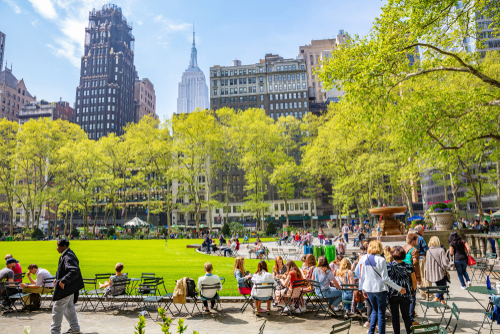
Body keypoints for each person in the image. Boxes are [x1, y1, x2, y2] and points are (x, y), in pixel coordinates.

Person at [359, 241, 405, 334]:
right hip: (379, 289)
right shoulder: (381, 260)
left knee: (375, 310)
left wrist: (362, 289)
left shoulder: (364, 258)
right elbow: (386, 279)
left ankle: (371, 331)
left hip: (368, 289)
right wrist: (399, 288)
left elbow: (362, 276)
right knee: (381, 313)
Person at [51, 239, 84, 334]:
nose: (57, 248)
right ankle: (75, 328)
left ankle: (55, 331)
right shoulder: (68, 253)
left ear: (63, 246)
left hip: (66, 288)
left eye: (58, 246)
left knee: (57, 308)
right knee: (69, 307)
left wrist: (63, 281)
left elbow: (74, 270)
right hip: (70, 288)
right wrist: (58, 279)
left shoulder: (67, 256)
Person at [387, 246, 417, 334]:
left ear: (392, 255)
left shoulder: (388, 266)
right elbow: (414, 282)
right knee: (406, 316)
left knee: (395, 316)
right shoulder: (408, 266)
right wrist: (412, 291)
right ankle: (409, 333)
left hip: (393, 294)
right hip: (405, 294)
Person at [402, 233, 421, 325]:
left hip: (402, 276)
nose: (418, 242)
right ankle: (411, 318)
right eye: (417, 240)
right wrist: (418, 278)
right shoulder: (414, 250)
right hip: (410, 276)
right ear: (413, 241)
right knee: (412, 296)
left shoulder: (402, 248)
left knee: (404, 296)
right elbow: (415, 265)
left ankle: (406, 315)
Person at [425, 236, 449, 304]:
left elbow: (427, 263)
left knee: (439, 288)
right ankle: (435, 299)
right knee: (443, 288)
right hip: (440, 273)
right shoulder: (441, 250)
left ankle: (443, 302)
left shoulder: (428, 251)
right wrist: (447, 260)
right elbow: (445, 262)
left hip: (433, 273)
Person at [415, 225, 431, 300]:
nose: (423, 231)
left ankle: (423, 294)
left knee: (419, 276)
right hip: (422, 257)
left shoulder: (414, 238)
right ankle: (428, 294)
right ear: (420, 231)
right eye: (423, 230)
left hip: (416, 258)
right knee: (425, 276)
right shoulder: (421, 238)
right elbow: (426, 249)